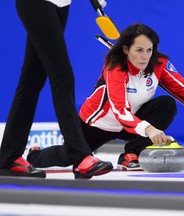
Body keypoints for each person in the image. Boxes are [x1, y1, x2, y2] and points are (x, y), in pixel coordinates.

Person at [27, 23, 184, 171]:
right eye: (139, 50)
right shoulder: (116, 69)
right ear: (125, 50)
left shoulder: (157, 64)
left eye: (149, 50)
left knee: (166, 104)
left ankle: (130, 154)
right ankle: (34, 156)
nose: (144, 56)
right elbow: (119, 110)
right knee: (67, 156)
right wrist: (149, 129)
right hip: (98, 124)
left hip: (133, 122)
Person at [0, 0, 113, 179]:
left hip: (61, 3)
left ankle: (8, 157)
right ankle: (80, 155)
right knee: (62, 75)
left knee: (32, 79)